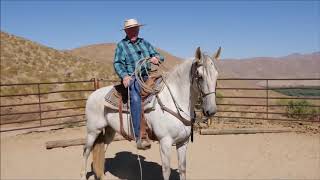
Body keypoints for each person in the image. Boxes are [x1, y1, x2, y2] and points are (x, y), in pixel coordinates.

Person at [113, 18, 164, 149]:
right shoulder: (122, 45)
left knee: (165, 88)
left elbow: (159, 56)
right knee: (135, 98)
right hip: (133, 77)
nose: (133, 31)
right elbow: (117, 63)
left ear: (139, 29)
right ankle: (139, 136)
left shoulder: (145, 43)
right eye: (130, 29)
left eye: (135, 28)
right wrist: (124, 76)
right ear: (126, 31)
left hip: (147, 75)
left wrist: (156, 58)